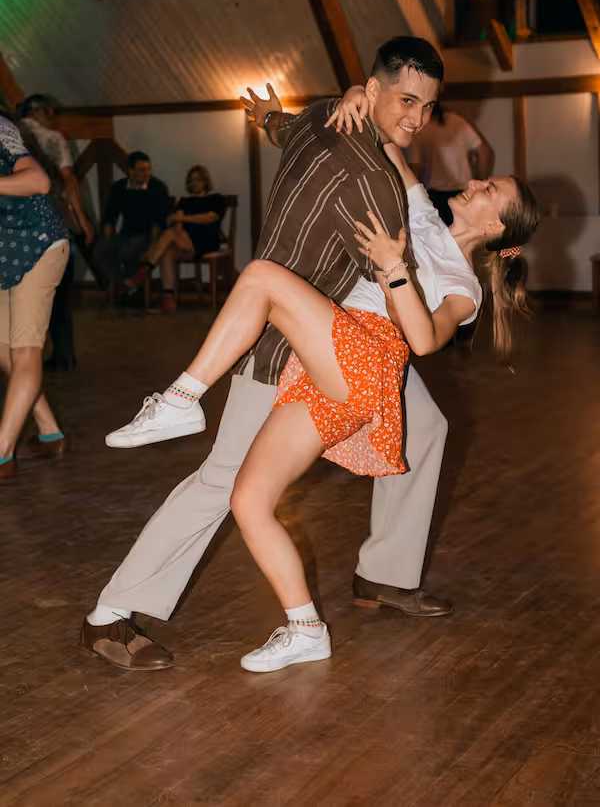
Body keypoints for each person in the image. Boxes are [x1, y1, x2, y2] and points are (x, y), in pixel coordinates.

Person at [80, 37, 458, 672]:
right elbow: (402, 307)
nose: (418, 119)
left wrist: (270, 115)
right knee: (224, 483)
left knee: (419, 429)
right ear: (372, 89)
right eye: (407, 101)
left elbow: (282, 126)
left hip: (299, 339)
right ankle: (111, 615)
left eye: (427, 107)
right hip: (288, 347)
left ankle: (379, 577)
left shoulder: (319, 117)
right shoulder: (374, 185)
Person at [0, 112, 69, 480]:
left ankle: (2, 453)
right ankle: (49, 432)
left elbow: (38, 181)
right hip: (5, 253)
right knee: (3, 348)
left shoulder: (0, 130)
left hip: (38, 244)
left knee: (24, 350)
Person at [19, 93, 96, 371]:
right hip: (51, 219)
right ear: (39, 111)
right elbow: (69, 182)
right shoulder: (53, 139)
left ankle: (23, 359)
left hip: (17, 223)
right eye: (50, 114)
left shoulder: (8, 135)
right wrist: (82, 220)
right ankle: (63, 352)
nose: (52, 119)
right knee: (58, 290)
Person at [126, 165, 227, 312]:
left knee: (170, 234)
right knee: (167, 251)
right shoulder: (184, 202)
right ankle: (168, 299)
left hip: (206, 242)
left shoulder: (215, 199)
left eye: (198, 179)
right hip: (185, 242)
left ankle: (146, 267)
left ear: (205, 181)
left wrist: (182, 218)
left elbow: (210, 217)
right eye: (191, 180)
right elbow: (178, 227)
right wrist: (176, 221)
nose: (195, 183)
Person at [407, 103, 494, 226]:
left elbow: (415, 168)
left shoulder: (420, 128)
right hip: (461, 192)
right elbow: (484, 153)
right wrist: (479, 182)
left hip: (438, 195)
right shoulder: (456, 120)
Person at [93, 151, 169, 290]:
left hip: (147, 235)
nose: (146, 173)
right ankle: (127, 285)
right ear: (131, 171)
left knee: (128, 251)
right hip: (126, 234)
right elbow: (110, 214)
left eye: (148, 169)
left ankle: (132, 290)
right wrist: (107, 232)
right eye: (142, 170)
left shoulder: (157, 188)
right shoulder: (119, 188)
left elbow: (160, 221)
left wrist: (152, 245)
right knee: (100, 252)